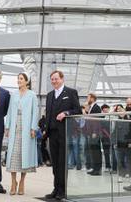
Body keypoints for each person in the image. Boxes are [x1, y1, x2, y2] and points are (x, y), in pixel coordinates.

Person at [44, 70, 81, 201]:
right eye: (52, 79)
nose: (54, 81)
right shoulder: (49, 95)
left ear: (62, 79)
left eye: (56, 79)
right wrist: (45, 130)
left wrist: (66, 113)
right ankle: (56, 189)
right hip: (52, 134)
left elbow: (78, 110)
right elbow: (47, 114)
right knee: (55, 163)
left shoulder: (71, 92)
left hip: (64, 132)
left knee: (62, 162)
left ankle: (62, 190)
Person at [5, 73, 38, 195]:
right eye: (18, 79)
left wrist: (33, 128)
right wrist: (7, 127)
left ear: (26, 81)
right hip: (15, 127)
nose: (18, 81)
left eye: (21, 79)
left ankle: (22, 181)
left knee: (24, 155)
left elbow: (35, 112)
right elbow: (9, 111)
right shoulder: (13, 94)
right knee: (13, 155)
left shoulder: (32, 95)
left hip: (27, 128)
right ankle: (13, 182)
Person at [85, 93, 102, 175]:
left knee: (96, 152)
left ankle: (97, 169)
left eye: (88, 98)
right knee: (93, 151)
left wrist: (95, 132)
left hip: (95, 133)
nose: (87, 99)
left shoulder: (96, 108)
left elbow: (96, 121)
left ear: (92, 98)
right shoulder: (91, 108)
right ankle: (94, 168)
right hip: (90, 132)